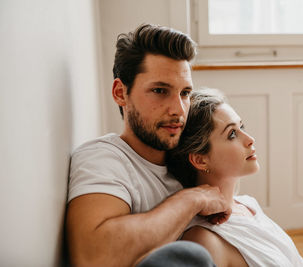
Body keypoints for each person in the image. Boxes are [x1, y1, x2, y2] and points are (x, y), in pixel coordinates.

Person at [66, 24, 231, 267]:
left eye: (185, 93)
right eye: (159, 90)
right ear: (121, 93)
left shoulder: (184, 160)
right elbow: (94, 256)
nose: (178, 109)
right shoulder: (103, 157)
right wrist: (191, 200)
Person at [166, 88, 303, 267]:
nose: (250, 139)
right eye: (232, 134)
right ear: (200, 160)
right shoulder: (204, 240)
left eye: (241, 127)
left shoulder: (248, 205)